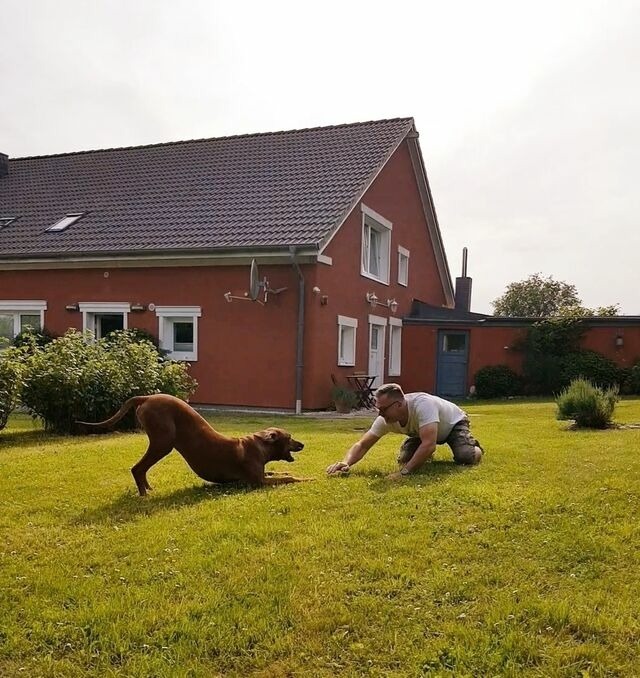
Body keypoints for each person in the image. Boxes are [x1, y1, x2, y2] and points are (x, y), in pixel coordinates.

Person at [326, 383, 483, 480]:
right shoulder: (386, 418)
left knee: (465, 456)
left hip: (453, 424)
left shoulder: (423, 405)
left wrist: (404, 474)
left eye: (383, 409)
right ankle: (419, 456)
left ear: (399, 405)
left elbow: (429, 445)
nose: (380, 414)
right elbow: (363, 444)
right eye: (377, 409)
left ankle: (473, 446)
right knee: (405, 459)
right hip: (423, 432)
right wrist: (346, 462)